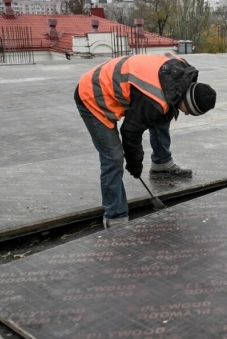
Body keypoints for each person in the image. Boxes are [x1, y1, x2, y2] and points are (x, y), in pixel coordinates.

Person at [75, 53, 216, 228]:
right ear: (187, 98)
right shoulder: (153, 98)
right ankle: (115, 217)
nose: (186, 114)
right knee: (113, 158)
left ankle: (162, 163)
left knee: (165, 111)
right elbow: (130, 132)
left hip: (118, 82)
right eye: (189, 110)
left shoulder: (183, 72)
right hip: (92, 95)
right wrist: (135, 164)